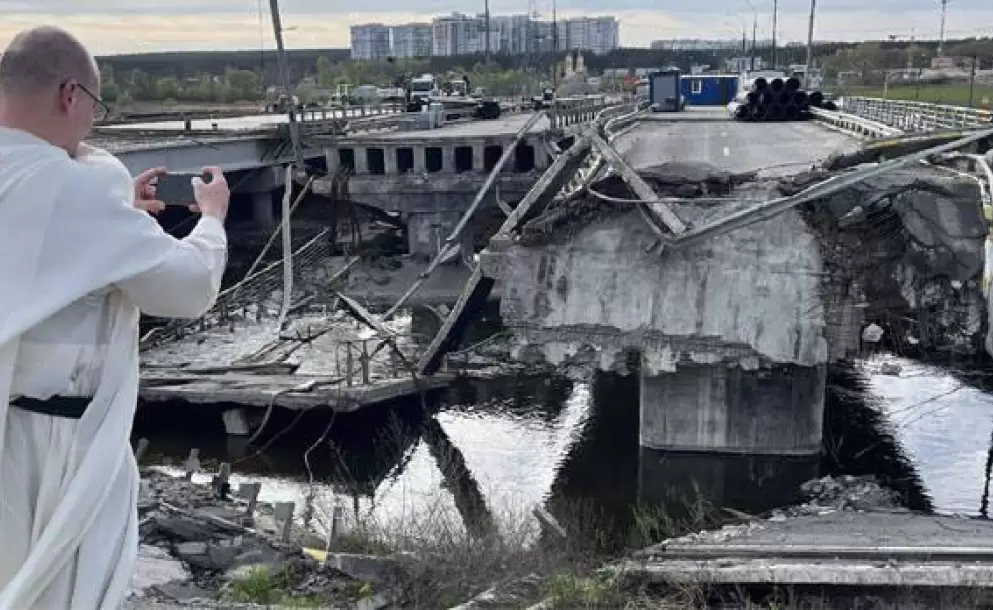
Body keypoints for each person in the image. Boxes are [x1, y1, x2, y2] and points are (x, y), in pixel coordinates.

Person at [0, 26, 230, 609]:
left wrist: (115, 213)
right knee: (61, 589)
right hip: (56, 448)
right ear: (70, 95)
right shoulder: (68, 189)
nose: (92, 127)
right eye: (95, 109)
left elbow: (32, 254)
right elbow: (187, 289)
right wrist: (211, 221)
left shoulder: (33, 178)